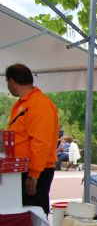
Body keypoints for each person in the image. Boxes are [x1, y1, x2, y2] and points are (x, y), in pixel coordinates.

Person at [5, 63, 60, 214]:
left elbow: (41, 141)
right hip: (21, 168)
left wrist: (33, 175)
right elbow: (22, 135)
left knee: (35, 213)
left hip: (36, 170)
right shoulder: (23, 104)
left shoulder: (39, 103)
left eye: (7, 83)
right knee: (23, 214)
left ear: (12, 82)